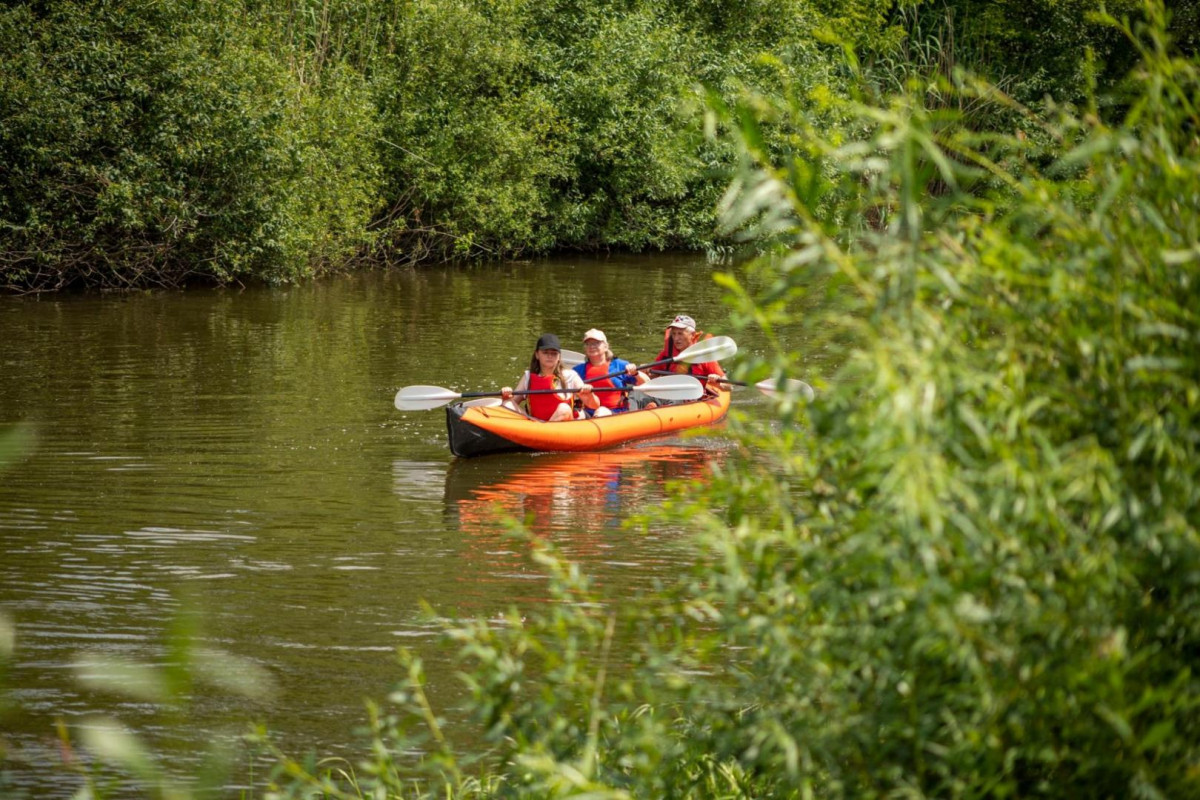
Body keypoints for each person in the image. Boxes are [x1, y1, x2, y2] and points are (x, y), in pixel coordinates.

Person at [634, 314, 726, 407]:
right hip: (666, 394)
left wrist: (718, 381)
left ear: (692, 335)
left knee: (674, 399)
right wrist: (643, 372)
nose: (676, 338)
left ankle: (655, 409)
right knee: (636, 394)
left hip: (687, 398)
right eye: (674, 334)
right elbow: (652, 376)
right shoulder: (667, 354)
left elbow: (728, 386)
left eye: (680, 333)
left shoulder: (704, 356)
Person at [501, 334, 597, 421]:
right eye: (545, 352)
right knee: (507, 404)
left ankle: (541, 432)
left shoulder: (570, 375)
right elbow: (513, 402)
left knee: (564, 408)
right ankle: (537, 432)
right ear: (537, 355)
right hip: (535, 423)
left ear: (559, 357)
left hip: (563, 426)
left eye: (554, 353)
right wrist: (506, 396)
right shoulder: (528, 377)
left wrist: (589, 395)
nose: (550, 356)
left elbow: (594, 405)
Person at [572, 328, 648, 416]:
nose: (591, 346)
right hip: (587, 413)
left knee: (601, 411)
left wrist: (636, 373)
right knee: (577, 414)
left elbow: (646, 384)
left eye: (596, 343)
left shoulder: (619, 365)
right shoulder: (578, 370)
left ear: (605, 347)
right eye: (588, 344)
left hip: (616, 412)